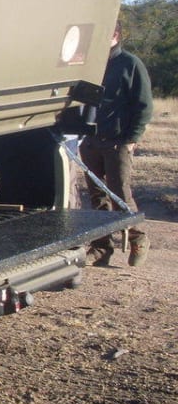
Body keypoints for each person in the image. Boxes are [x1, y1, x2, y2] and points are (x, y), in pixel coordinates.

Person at [79, 20, 153, 266]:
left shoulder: (130, 64)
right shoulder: (91, 63)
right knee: (97, 197)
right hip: (90, 140)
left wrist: (131, 138)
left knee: (120, 193)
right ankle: (102, 247)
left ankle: (138, 238)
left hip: (117, 141)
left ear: (116, 35)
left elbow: (144, 106)